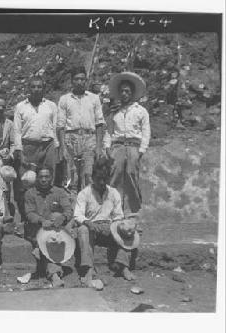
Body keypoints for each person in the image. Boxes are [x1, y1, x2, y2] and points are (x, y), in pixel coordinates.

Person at [73, 158, 137, 285]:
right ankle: (88, 269)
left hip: (110, 228)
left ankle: (123, 267)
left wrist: (119, 226)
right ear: (92, 177)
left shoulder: (113, 193)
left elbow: (118, 215)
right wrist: (88, 223)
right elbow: (78, 215)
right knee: (83, 230)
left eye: (105, 179)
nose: (102, 182)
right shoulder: (84, 193)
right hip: (92, 228)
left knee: (129, 230)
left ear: (108, 178)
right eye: (98, 179)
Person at [13, 75, 60, 224]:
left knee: (48, 180)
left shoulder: (51, 105)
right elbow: (17, 131)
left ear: (43, 88)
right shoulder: (21, 106)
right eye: (33, 86)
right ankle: (26, 216)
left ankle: (47, 216)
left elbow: (55, 127)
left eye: (39, 86)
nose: (36, 89)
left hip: (48, 145)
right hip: (28, 146)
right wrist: (20, 151)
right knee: (27, 182)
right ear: (29, 88)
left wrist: (57, 148)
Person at [105, 72, 150, 214]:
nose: (124, 94)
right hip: (117, 146)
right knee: (114, 176)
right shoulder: (115, 112)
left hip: (133, 147)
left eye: (127, 91)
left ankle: (133, 211)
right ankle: (113, 210)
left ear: (132, 93)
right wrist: (107, 147)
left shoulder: (140, 110)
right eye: (122, 91)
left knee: (131, 175)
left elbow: (146, 131)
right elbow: (109, 131)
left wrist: (142, 150)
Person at [57, 66, 106, 192]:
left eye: (82, 79)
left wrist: (99, 147)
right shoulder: (64, 99)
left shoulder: (94, 98)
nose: (80, 82)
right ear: (72, 81)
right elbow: (61, 126)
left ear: (86, 80)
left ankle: (88, 209)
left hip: (89, 139)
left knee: (88, 175)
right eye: (76, 79)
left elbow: (99, 123)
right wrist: (62, 148)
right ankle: (73, 207)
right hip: (70, 139)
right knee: (71, 177)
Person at [24, 166, 73, 287]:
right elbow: (29, 213)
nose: (44, 179)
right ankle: (54, 275)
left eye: (47, 177)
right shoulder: (30, 193)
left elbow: (68, 209)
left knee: (54, 235)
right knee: (46, 242)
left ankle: (40, 254)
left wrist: (62, 217)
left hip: (54, 228)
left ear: (51, 178)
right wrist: (41, 221)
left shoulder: (59, 192)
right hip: (35, 229)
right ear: (37, 178)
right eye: (41, 177)